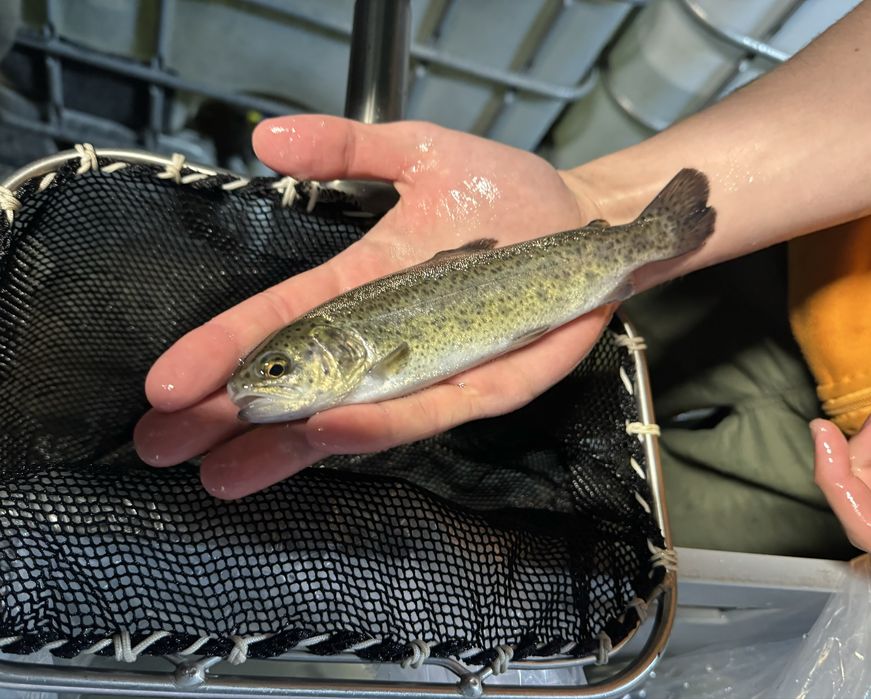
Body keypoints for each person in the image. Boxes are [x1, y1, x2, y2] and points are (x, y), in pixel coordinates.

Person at [134, 3, 871, 551]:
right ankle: (644, 241)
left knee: (668, 535)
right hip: (801, 253)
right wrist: (601, 201)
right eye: (275, 367)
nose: (264, 380)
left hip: (830, 410)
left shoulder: (365, 365)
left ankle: (646, 242)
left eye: (279, 366)